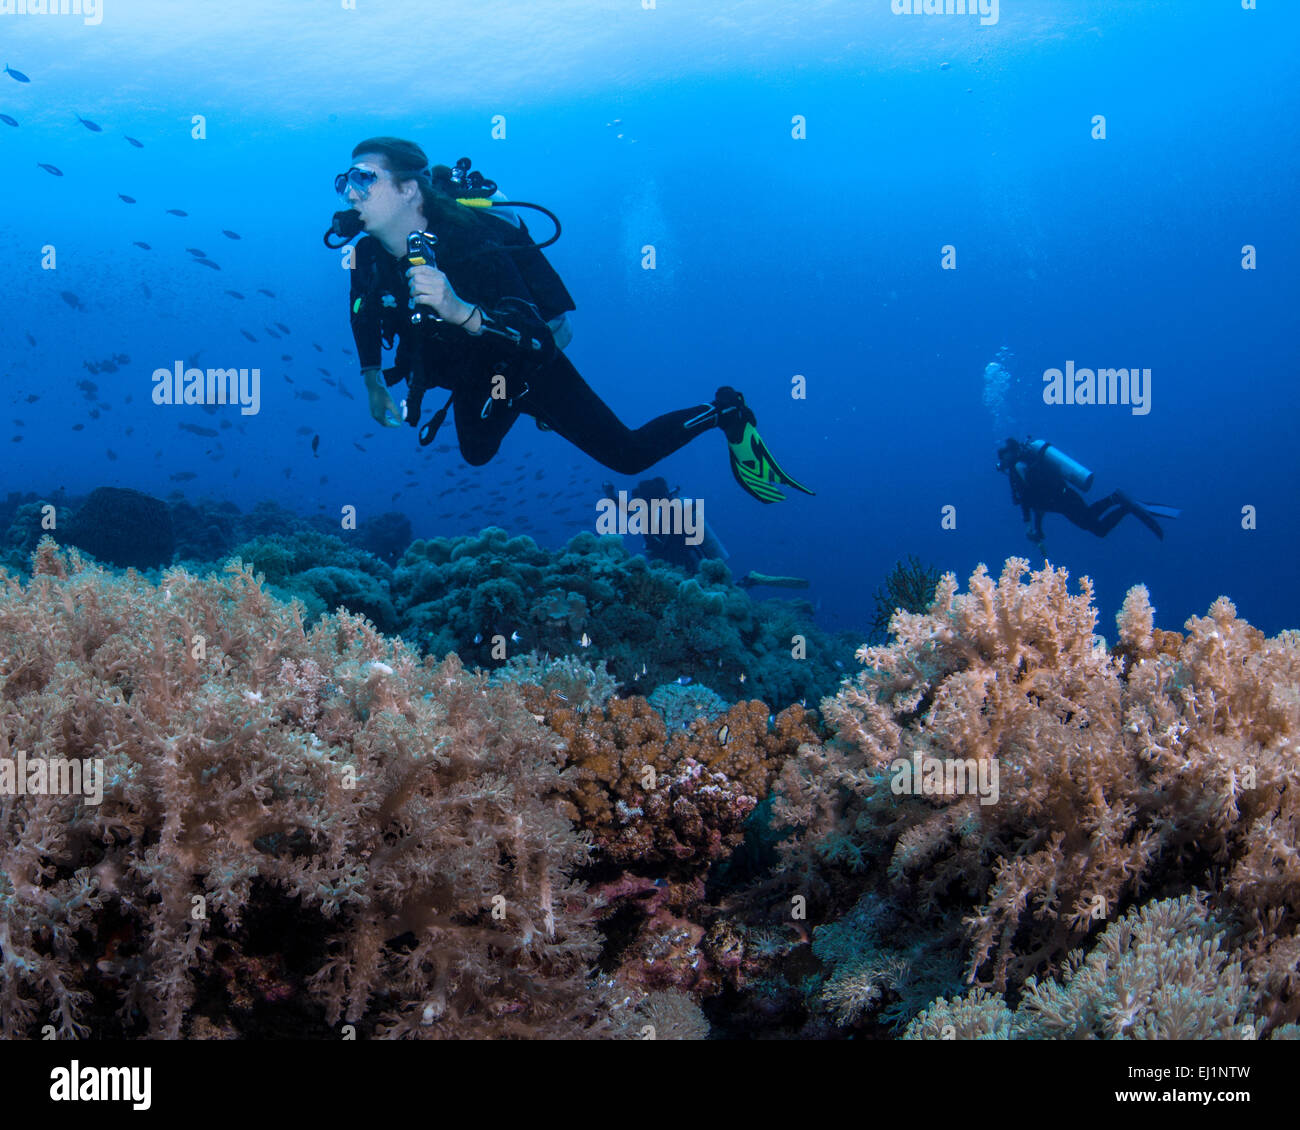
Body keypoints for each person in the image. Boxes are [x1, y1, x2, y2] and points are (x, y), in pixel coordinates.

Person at [333, 137, 813, 503]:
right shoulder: (367, 256)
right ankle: (526, 409)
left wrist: (460, 311)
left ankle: (725, 412)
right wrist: (373, 379)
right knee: (476, 454)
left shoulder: (475, 243)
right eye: (345, 181)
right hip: (470, 372)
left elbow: (538, 339)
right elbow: (363, 313)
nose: (349, 192)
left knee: (627, 456)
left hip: (526, 367)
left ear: (409, 188)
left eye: (363, 178)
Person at [995, 437, 1179, 551]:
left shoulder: (1016, 470)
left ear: (1009, 454)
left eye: (1001, 457)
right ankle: (1118, 500)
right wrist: (1038, 528)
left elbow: (1027, 502)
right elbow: (1035, 502)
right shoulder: (1026, 463)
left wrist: (1032, 528)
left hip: (1063, 500)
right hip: (1065, 496)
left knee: (1097, 528)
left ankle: (1120, 502)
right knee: (1092, 521)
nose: (1000, 462)